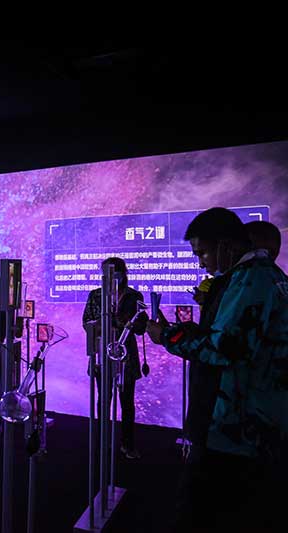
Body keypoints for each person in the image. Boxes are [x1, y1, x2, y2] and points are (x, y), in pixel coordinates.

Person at [146, 207, 288, 533]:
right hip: (255, 423)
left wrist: (165, 336)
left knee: (200, 514)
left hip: (236, 430)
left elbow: (224, 348)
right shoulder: (267, 277)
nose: (201, 263)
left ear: (226, 245)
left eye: (203, 253)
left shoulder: (251, 280)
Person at [82, 257, 147, 459]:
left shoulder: (134, 296)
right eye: (105, 273)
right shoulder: (96, 295)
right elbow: (86, 323)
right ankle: (102, 442)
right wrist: (103, 324)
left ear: (123, 274)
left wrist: (123, 323)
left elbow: (141, 327)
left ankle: (128, 444)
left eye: (114, 273)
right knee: (103, 400)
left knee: (127, 402)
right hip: (102, 354)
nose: (109, 277)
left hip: (126, 356)